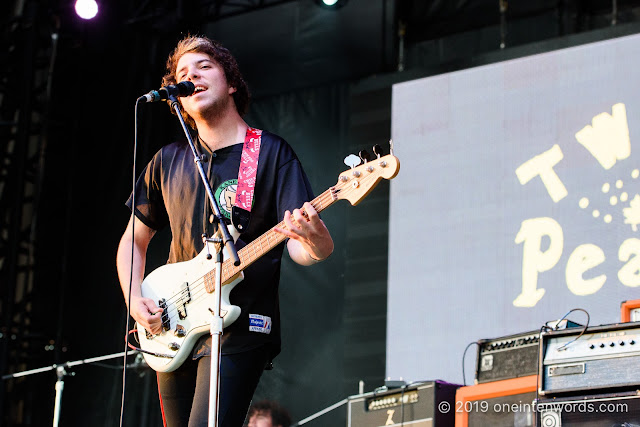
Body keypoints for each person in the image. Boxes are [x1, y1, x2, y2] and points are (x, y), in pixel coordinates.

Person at [116, 35, 333, 427]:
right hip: (175, 319)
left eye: (203, 67)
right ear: (177, 99)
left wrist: (315, 239)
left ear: (231, 83)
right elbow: (134, 239)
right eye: (182, 73)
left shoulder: (269, 153)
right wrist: (134, 298)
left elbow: (301, 249)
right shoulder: (167, 160)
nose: (191, 75)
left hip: (240, 323)